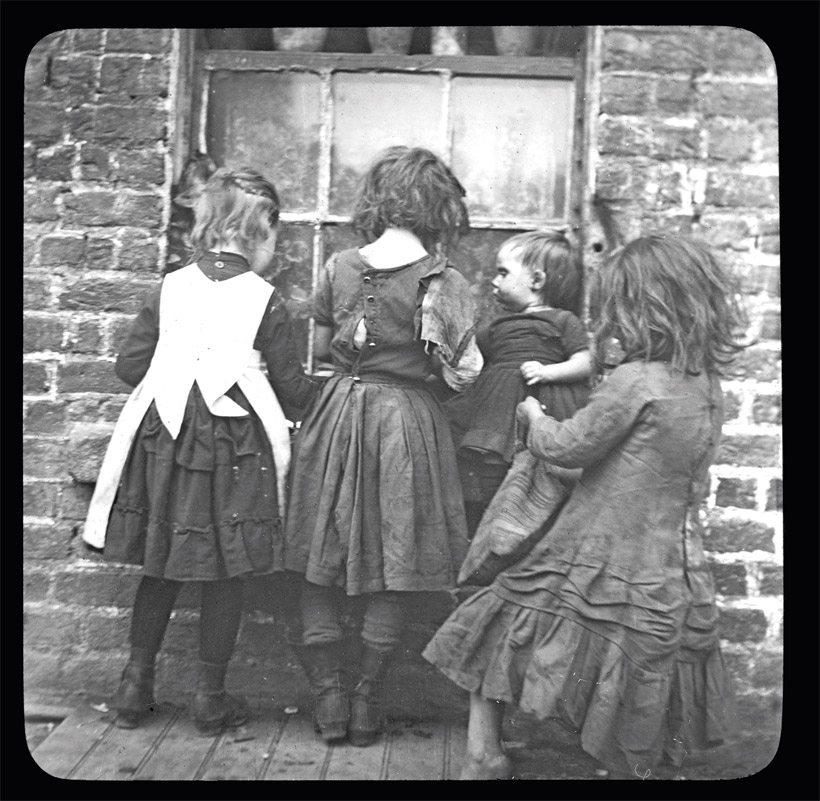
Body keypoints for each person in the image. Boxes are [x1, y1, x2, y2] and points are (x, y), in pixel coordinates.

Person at [423, 234, 746, 780]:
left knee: (493, 621)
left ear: (641, 306)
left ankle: (484, 756)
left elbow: (568, 447)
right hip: (666, 566)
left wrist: (533, 418)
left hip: (595, 551)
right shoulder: (706, 386)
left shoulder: (634, 380)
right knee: (644, 670)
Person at [83, 167, 318, 735]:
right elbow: (293, 390)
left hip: (164, 442)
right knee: (227, 572)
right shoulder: (265, 300)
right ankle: (210, 698)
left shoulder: (170, 287)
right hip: (236, 450)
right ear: (258, 231)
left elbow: (129, 367)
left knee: (160, 562)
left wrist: (178, 366)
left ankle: (134, 686)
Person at [283, 146, 481, 747]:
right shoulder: (443, 281)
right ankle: (367, 698)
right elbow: (463, 373)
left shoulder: (339, 265)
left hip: (336, 415)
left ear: (378, 199)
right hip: (406, 423)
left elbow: (321, 347)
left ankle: (329, 697)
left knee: (318, 547)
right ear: (438, 207)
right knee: (398, 557)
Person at [443, 230, 592, 575]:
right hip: (496, 408)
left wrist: (548, 371)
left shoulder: (563, 321)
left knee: (537, 473)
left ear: (537, 280)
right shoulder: (497, 326)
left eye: (503, 272)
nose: (494, 281)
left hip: (542, 400)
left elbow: (586, 362)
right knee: (490, 474)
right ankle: (489, 544)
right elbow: (471, 360)